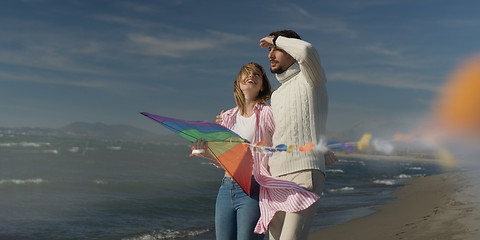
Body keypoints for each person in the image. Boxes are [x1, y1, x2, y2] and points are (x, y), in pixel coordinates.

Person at [259, 30, 328, 240]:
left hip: (304, 172)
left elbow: (307, 51)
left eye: (277, 49)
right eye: (270, 49)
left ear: (290, 49)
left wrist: (278, 39)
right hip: (275, 177)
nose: (270, 54)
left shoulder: (311, 79)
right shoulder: (277, 95)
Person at [196, 62, 273, 240]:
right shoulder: (227, 117)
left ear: (262, 86)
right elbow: (224, 158)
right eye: (246, 74)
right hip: (226, 187)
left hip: (252, 188)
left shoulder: (268, 113)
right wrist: (205, 151)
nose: (251, 76)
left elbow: (281, 145)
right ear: (238, 83)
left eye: (257, 75)